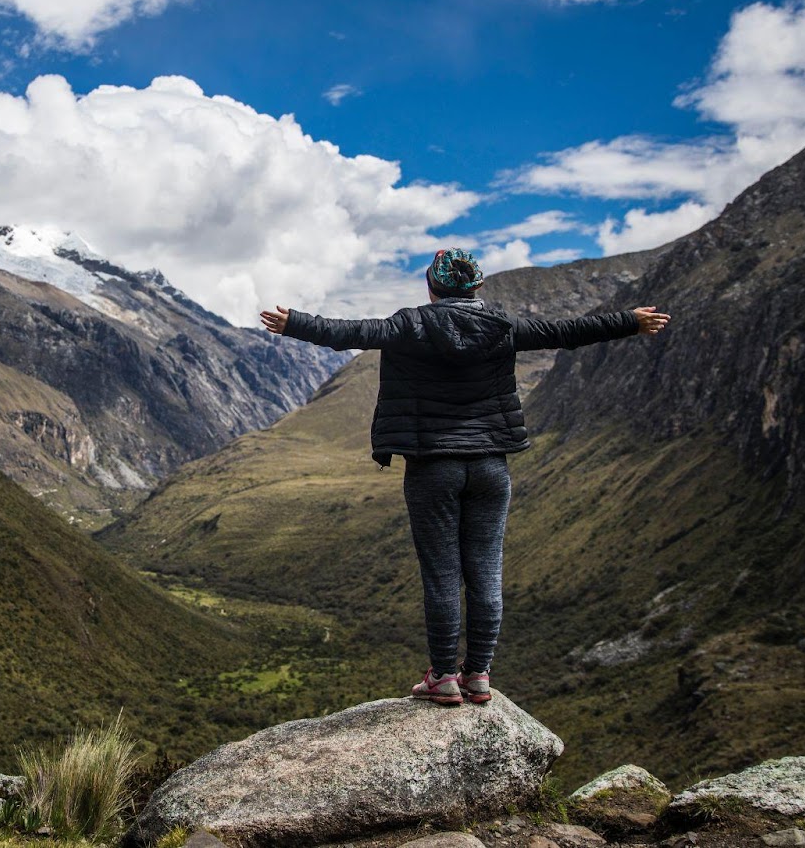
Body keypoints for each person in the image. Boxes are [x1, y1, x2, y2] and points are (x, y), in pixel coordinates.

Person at [259, 248, 670, 705]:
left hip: (432, 466)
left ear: (430, 286)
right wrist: (630, 321)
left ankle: (442, 677)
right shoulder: (502, 326)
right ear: (477, 287)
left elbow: (350, 333)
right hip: (491, 464)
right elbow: (567, 331)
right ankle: (478, 675)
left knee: (442, 575)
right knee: (486, 571)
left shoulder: (409, 324)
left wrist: (293, 322)